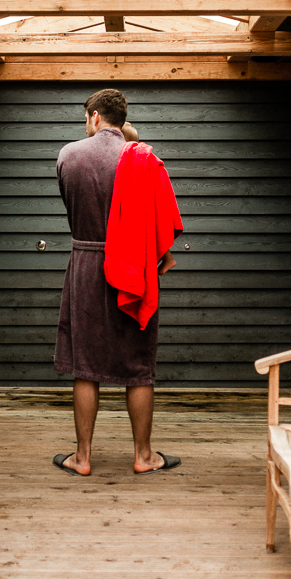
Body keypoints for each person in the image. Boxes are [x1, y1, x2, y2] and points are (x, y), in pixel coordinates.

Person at [53, 89, 183, 477]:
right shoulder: (142, 158)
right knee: (138, 364)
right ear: (122, 118)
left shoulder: (68, 156)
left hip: (86, 264)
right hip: (134, 266)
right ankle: (144, 456)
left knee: (85, 365)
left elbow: (70, 205)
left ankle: (82, 457)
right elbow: (161, 215)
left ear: (94, 117)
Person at [121, 121, 177, 276]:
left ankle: (168, 259)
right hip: (148, 206)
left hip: (142, 207)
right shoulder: (143, 158)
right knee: (155, 230)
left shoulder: (136, 159)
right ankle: (168, 258)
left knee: (151, 232)